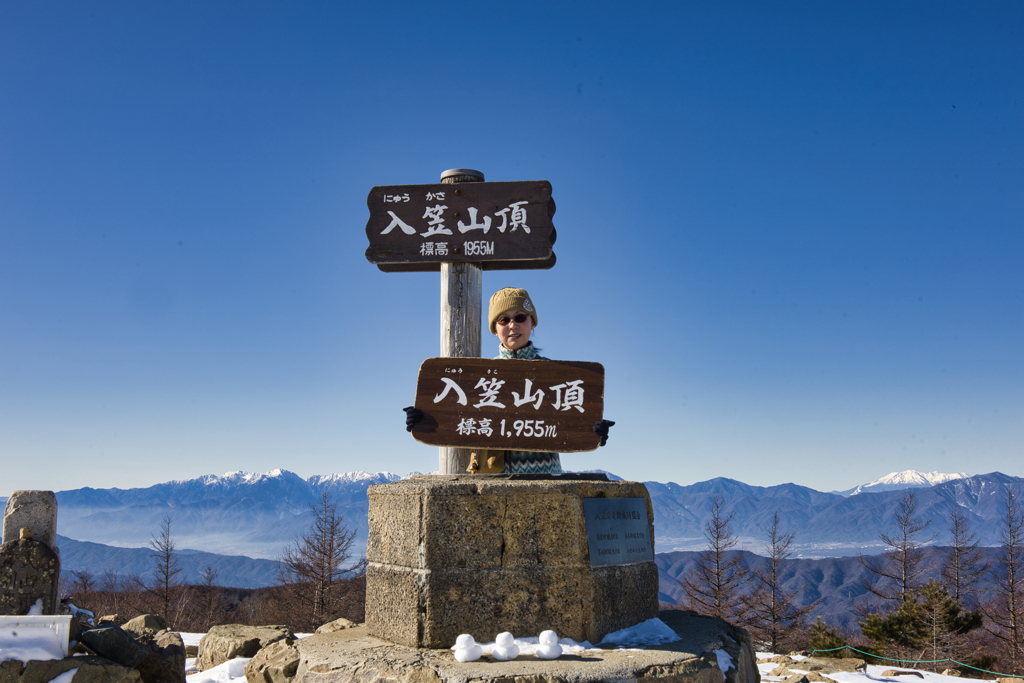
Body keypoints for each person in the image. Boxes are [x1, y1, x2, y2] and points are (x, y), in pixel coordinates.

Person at [404, 287, 614, 474]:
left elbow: (572, 422)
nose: (513, 325)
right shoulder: (479, 377)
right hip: (492, 482)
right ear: (495, 329)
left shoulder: (556, 375)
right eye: (504, 320)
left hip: (546, 479)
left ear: (532, 323)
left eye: (520, 317)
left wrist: (592, 430)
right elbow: (455, 421)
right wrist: (425, 418)